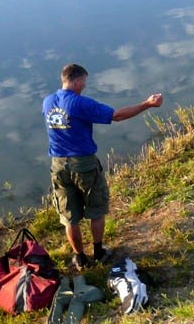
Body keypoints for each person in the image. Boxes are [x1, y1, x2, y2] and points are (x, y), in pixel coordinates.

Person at [43, 63, 164, 271]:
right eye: (84, 82)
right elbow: (116, 115)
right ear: (78, 80)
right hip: (83, 163)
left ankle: (79, 258)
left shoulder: (47, 102)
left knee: (69, 216)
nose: (85, 86)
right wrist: (147, 104)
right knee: (96, 209)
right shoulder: (79, 103)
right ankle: (98, 252)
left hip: (58, 165)